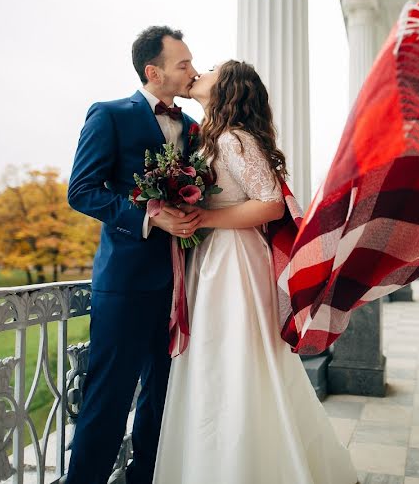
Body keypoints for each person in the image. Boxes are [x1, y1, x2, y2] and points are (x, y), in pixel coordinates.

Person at [153, 60, 357, 484]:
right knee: (217, 358)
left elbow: (270, 204)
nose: (199, 73)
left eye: (210, 69)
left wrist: (203, 219)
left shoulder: (234, 138)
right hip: (214, 259)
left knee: (235, 358)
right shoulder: (215, 136)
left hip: (234, 263)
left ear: (227, 87)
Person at [65, 26, 203, 484]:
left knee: (163, 398)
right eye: (182, 64)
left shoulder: (193, 129)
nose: (192, 70)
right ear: (153, 70)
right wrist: (150, 217)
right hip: (124, 283)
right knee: (108, 398)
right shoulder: (108, 115)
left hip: (183, 281)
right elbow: (82, 191)